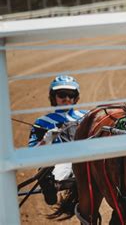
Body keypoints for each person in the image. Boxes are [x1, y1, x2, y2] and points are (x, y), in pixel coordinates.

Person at [28, 75, 88, 205]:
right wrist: (46, 140)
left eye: (70, 95)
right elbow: (32, 153)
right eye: (62, 95)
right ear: (53, 97)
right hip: (61, 164)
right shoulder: (42, 122)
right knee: (51, 173)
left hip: (86, 160)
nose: (66, 98)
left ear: (76, 97)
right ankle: (49, 185)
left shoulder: (86, 116)